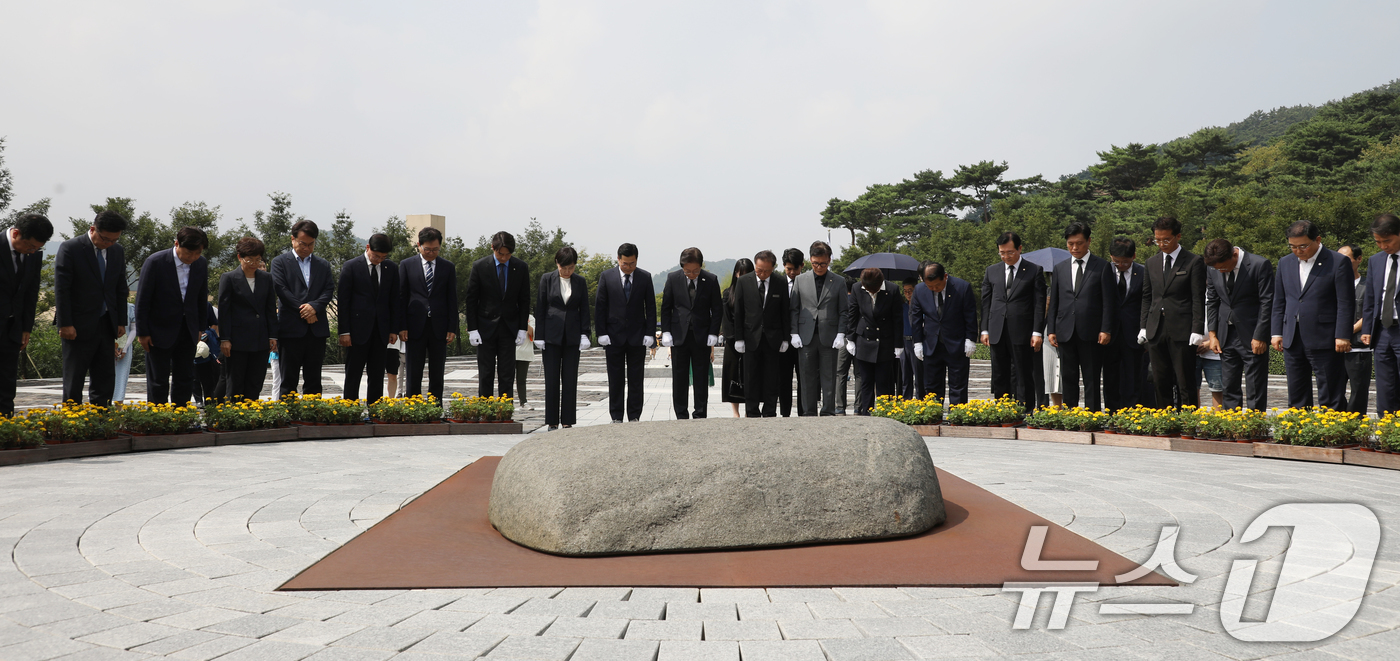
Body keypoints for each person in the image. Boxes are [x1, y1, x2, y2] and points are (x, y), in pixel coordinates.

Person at [1271, 220, 1354, 409]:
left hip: (1324, 336)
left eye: (1303, 246)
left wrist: (1342, 335)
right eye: (1292, 246)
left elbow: (1345, 302)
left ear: (1318, 240)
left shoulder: (1337, 262)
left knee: (1330, 391)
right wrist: (1276, 332)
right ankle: (1300, 430)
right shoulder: (1285, 262)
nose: (1298, 251)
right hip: (1293, 335)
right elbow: (1280, 300)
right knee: (1297, 390)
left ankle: (1334, 432)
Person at [54, 210, 128, 407]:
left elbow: (120, 288)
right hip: (77, 325)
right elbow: (62, 290)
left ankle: (101, 420)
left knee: (105, 376)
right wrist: (65, 323)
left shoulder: (116, 251)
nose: (109, 243)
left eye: (114, 240)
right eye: (105, 239)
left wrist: (121, 321)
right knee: (75, 377)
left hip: (106, 323)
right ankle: (72, 422)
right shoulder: (71, 248)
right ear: (93, 229)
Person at [1044, 223, 1116, 411]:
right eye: (1070, 244)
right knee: (1068, 376)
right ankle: (1070, 413)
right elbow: (1055, 301)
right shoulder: (1060, 268)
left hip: (1092, 332)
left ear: (1089, 241)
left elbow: (1109, 302)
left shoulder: (1102, 266)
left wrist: (1106, 328)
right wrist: (1051, 329)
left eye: (1079, 243)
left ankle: (1092, 414)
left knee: (1091, 376)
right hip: (1065, 331)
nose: (1075, 248)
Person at [136, 226, 209, 406]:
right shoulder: (156, 262)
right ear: (177, 244)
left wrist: (200, 327)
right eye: (189, 252)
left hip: (188, 329)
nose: (192, 257)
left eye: (197, 253)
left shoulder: (200, 264)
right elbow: (143, 299)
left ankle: (180, 416)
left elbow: (201, 297)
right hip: (158, 329)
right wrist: (142, 332)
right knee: (158, 379)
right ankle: (158, 419)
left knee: (185, 377)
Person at [1140, 217, 1206, 409]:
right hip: (1156, 329)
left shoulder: (1193, 261)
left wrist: (1197, 328)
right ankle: (1165, 421)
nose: (1161, 244)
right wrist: (1143, 326)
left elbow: (1197, 298)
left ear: (1178, 236)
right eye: (1157, 240)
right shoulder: (1151, 262)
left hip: (1182, 329)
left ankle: (1188, 422)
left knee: (1184, 380)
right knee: (1160, 380)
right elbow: (1147, 297)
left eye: (1166, 240)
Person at [1202, 239, 1275, 411]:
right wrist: (1212, 335)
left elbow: (1267, 302)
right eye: (1217, 269)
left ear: (1234, 255)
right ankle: (1232, 427)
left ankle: (1254, 426)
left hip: (1252, 334)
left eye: (1224, 268)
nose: (1220, 271)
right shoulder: (1213, 268)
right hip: (1226, 335)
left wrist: (1260, 335)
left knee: (1255, 386)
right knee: (1228, 386)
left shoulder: (1259, 264)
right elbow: (1212, 301)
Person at [980, 232, 1045, 411]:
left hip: (1022, 331)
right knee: (1000, 373)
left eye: (1010, 252)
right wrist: (984, 329)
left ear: (1020, 249)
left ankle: (1027, 410)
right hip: (997, 330)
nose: (1006, 256)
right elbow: (986, 302)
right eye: (1002, 253)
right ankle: (1003, 411)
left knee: (1024, 373)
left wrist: (1037, 332)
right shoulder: (991, 271)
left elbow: (1039, 304)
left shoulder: (1034, 270)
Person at [271, 220, 333, 398]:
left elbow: (328, 290)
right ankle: (289, 417)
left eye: (311, 244)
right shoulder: (280, 262)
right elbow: (281, 290)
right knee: (288, 379)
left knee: (314, 378)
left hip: (316, 330)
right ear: (293, 239)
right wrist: (305, 311)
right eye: (302, 243)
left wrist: (314, 307)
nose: (306, 248)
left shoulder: (323, 265)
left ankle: (311, 416)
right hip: (291, 329)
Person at [595, 243, 656, 423]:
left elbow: (650, 307)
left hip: (638, 336)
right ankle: (616, 415)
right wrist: (601, 332)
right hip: (613, 336)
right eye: (625, 264)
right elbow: (600, 306)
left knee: (636, 378)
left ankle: (635, 415)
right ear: (618, 259)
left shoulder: (645, 277)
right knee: (616, 378)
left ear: (636, 260)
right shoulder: (607, 276)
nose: (628, 267)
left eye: (632, 263)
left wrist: (650, 333)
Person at [659, 247, 722, 419]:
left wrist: (713, 333)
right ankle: (681, 414)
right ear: (682, 267)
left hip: (701, 336)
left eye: (695, 271)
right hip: (679, 336)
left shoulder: (710, 279)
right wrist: (666, 332)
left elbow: (717, 309)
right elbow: (666, 308)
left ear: (701, 266)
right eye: (687, 271)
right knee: (679, 377)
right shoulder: (673, 278)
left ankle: (700, 413)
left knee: (701, 377)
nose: (692, 274)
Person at [466, 231, 530, 397]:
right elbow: (471, 299)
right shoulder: (480, 266)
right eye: (500, 254)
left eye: (508, 254)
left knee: (507, 374)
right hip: (485, 327)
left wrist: (522, 328)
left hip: (509, 328)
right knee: (486, 373)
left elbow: (524, 300)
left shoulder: (520, 267)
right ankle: (486, 413)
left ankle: (505, 413)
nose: (504, 258)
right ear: (493, 248)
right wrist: (472, 328)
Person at [337, 233, 400, 403]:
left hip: (381, 330)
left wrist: (394, 329)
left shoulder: (391, 269)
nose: (379, 260)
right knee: (353, 373)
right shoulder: (351, 266)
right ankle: (349, 409)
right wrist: (344, 331)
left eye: (383, 257)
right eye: (376, 256)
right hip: (356, 331)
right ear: (367, 248)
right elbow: (343, 301)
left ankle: (375, 410)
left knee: (377, 373)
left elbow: (394, 300)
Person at [399, 227, 459, 403]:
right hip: (414, 326)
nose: (431, 253)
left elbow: (451, 299)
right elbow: (401, 298)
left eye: (435, 249)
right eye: (427, 249)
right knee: (413, 370)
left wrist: (452, 327)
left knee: (437, 370)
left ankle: (434, 406)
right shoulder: (406, 265)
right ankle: (413, 406)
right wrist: (401, 326)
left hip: (439, 327)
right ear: (419, 245)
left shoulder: (448, 267)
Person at [535, 246, 591, 430]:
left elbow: (585, 309)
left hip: (573, 337)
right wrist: (540, 335)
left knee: (570, 379)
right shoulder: (547, 279)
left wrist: (585, 334)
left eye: (571, 268)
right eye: (564, 268)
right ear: (557, 263)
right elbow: (540, 308)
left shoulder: (580, 282)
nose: (567, 272)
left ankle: (567, 420)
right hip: (551, 337)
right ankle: (552, 421)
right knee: (551, 380)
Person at [0, 214, 51, 415]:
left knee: (7, 382)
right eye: (30, 246)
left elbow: (31, 292)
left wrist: (26, 327)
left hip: (13, 328)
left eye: (37, 248)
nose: (32, 251)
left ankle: (5, 427)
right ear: (16, 233)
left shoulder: (33, 255)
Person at [789, 241, 847, 416]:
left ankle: (828, 411)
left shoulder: (838, 281)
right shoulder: (800, 279)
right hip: (806, 337)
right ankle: (808, 412)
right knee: (806, 377)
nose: (819, 267)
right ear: (810, 260)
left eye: (822, 263)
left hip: (829, 337)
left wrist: (841, 333)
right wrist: (793, 332)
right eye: (815, 263)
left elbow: (844, 311)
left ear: (829, 260)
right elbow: (794, 309)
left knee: (829, 376)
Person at [217, 237, 278, 402]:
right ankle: (234, 418)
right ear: (239, 257)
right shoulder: (229, 278)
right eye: (249, 259)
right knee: (235, 382)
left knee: (255, 382)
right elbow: (224, 311)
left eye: (258, 259)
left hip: (260, 339)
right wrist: (225, 338)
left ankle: (251, 417)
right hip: (237, 341)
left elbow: (270, 309)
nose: (254, 263)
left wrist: (273, 335)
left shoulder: (266, 278)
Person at [732, 250, 792, 417]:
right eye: (759, 270)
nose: (762, 274)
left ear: (773, 267)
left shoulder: (780, 281)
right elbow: (739, 311)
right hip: (751, 337)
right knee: (751, 377)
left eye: (766, 270)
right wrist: (739, 338)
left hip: (773, 338)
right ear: (755, 265)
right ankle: (751, 411)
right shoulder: (744, 281)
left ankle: (770, 411)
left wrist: (786, 338)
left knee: (772, 377)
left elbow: (784, 312)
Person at [910, 262, 977, 405]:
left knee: (958, 385)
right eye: (930, 287)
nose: (934, 289)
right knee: (932, 386)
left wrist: (970, 339)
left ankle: (957, 418)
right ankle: (934, 418)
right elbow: (915, 318)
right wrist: (917, 343)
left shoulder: (962, 287)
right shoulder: (920, 290)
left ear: (945, 277)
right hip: (931, 345)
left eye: (937, 286)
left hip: (957, 343)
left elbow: (970, 315)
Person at [846, 268, 902, 415]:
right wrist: (850, 339)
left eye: (873, 290)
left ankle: (885, 413)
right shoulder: (857, 288)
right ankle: (866, 412)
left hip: (885, 341)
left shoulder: (892, 289)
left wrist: (898, 344)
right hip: (864, 339)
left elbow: (897, 319)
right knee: (866, 382)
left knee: (884, 382)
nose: (870, 292)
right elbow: (852, 315)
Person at [1103, 238, 1148, 411]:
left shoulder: (1143, 273)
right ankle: (1112, 412)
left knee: (1133, 376)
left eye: (1125, 262)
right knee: (1110, 377)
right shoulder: (1104, 271)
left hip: (1133, 333)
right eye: (1116, 261)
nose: (1120, 265)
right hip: (1110, 333)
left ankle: (1132, 412)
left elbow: (1147, 303)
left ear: (1134, 256)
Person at [1363, 213, 1400, 415]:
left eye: (1387, 241)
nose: (1383, 246)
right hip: (1383, 330)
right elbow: (1371, 298)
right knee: (1385, 383)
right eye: (1378, 242)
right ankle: (1388, 429)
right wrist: (1368, 328)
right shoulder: (1376, 261)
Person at [1336, 244, 1371, 414]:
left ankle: (1356, 426)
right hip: (1334, 348)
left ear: (1359, 259)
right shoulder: (1331, 284)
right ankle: (1336, 425)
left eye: (1346, 259)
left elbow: (1369, 314)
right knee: (1334, 391)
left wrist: (1345, 332)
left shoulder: (1368, 285)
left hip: (1358, 348)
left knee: (1358, 391)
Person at [722, 259, 755, 417]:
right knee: (733, 374)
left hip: (751, 340)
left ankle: (751, 407)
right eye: (741, 273)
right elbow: (726, 320)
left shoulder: (756, 292)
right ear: (736, 274)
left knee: (750, 375)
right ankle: (735, 411)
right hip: (733, 341)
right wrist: (734, 339)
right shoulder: (728, 293)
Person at [778, 248, 804, 416]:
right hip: (782, 339)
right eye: (788, 269)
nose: (792, 272)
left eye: (795, 268)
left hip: (803, 338)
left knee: (804, 377)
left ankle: (804, 411)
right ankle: (785, 412)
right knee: (783, 378)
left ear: (802, 265)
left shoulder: (808, 283)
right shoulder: (777, 283)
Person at [898, 276, 922, 400]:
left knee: (918, 375)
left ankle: (919, 399)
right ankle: (906, 400)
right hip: (904, 342)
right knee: (905, 376)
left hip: (916, 342)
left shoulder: (920, 306)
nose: (907, 294)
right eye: (905, 291)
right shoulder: (902, 307)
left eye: (910, 291)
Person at [192, 303, 220, 405]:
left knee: (207, 375)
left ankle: (209, 400)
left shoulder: (206, 305)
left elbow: (214, 324)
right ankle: (198, 400)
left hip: (205, 345)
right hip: (189, 341)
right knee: (193, 375)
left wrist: (207, 334)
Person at [835, 278, 855, 414]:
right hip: (856, 339)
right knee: (859, 374)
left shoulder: (840, 299)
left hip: (842, 338)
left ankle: (840, 407)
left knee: (840, 374)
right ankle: (859, 406)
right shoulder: (857, 299)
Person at [113, 301, 137, 403]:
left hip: (125, 348)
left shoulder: (130, 308)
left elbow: (134, 329)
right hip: (105, 346)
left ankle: (119, 406)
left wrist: (125, 347)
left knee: (121, 377)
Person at [515, 314, 535, 406]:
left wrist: (524, 322)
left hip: (524, 354)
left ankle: (523, 401)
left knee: (521, 379)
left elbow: (533, 333)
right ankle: (507, 401)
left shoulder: (530, 318)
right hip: (510, 353)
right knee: (507, 379)